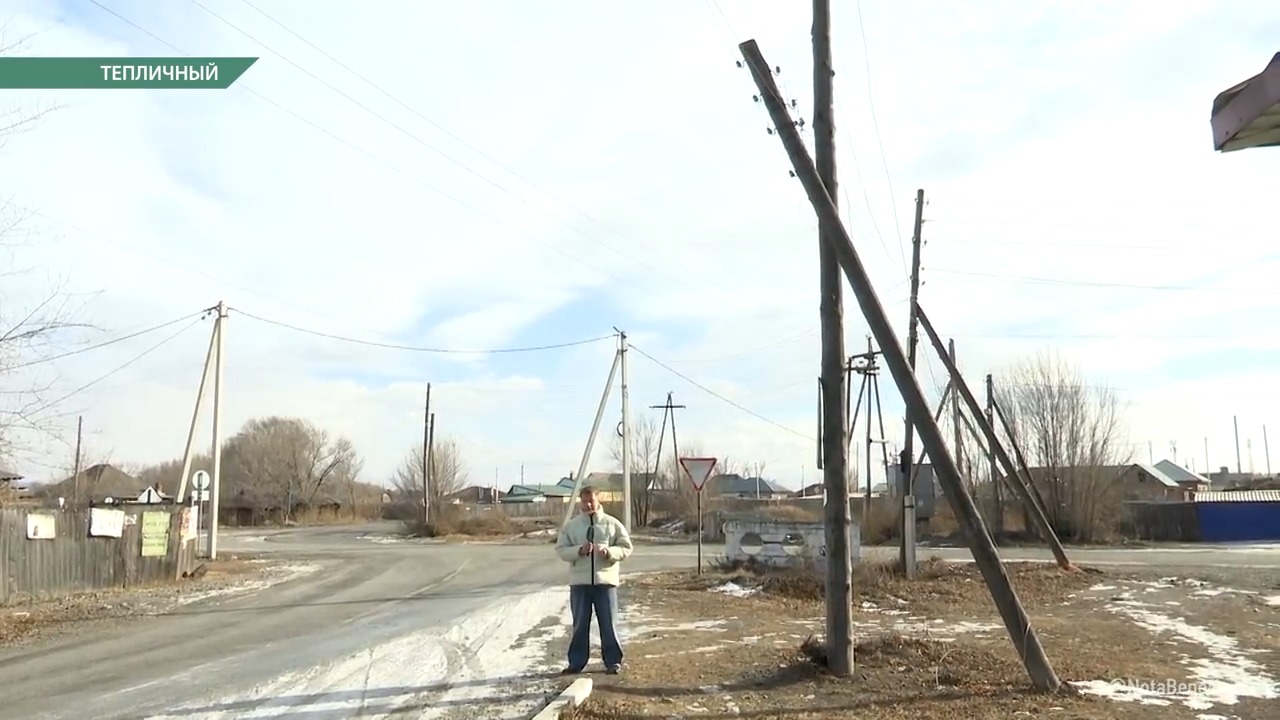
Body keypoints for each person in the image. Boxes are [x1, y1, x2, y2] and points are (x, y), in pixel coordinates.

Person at [554, 485, 633, 675]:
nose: (588, 504)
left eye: (592, 501)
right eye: (585, 501)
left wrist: (610, 552)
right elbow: (561, 549)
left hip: (605, 583)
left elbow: (626, 547)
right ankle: (576, 663)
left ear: (599, 500)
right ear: (580, 502)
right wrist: (578, 551)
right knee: (580, 625)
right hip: (580, 584)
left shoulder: (612, 524)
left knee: (609, 624)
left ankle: (613, 661)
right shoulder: (572, 526)